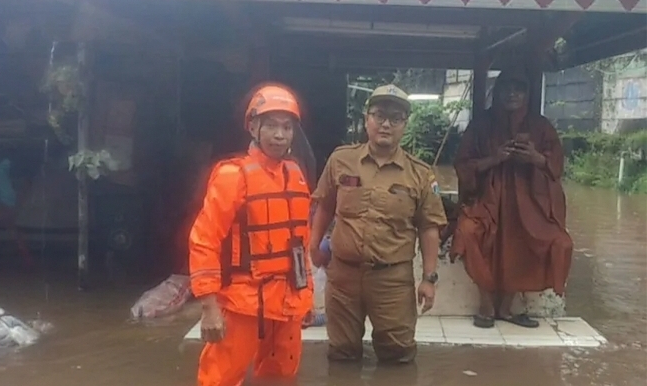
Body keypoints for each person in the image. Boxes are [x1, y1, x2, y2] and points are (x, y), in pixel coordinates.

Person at [309, 84, 447, 364]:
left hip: (392, 280)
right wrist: (313, 246)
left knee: (397, 354)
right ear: (366, 119)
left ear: (405, 125)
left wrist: (429, 278)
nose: (386, 124)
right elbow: (324, 205)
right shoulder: (341, 160)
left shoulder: (419, 173)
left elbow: (429, 227)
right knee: (341, 353)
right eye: (379, 115)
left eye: (396, 118)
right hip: (343, 276)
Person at [189, 82, 315, 386]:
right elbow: (203, 240)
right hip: (241, 302)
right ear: (253, 128)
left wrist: (307, 297)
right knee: (220, 378)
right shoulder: (232, 176)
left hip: (287, 301)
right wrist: (209, 308)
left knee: (281, 377)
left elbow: (301, 244)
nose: (279, 135)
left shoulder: (295, 174)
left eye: (286, 127)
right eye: (270, 125)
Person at [450, 68, 573, 329]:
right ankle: (486, 302)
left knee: (553, 240)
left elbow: (556, 166)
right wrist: (494, 158)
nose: (512, 94)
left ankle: (506, 307)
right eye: (506, 88)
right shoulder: (480, 124)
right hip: (486, 201)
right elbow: (462, 165)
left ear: (527, 94)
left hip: (528, 201)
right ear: (497, 93)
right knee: (469, 232)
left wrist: (535, 158)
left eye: (519, 89)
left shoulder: (540, 126)